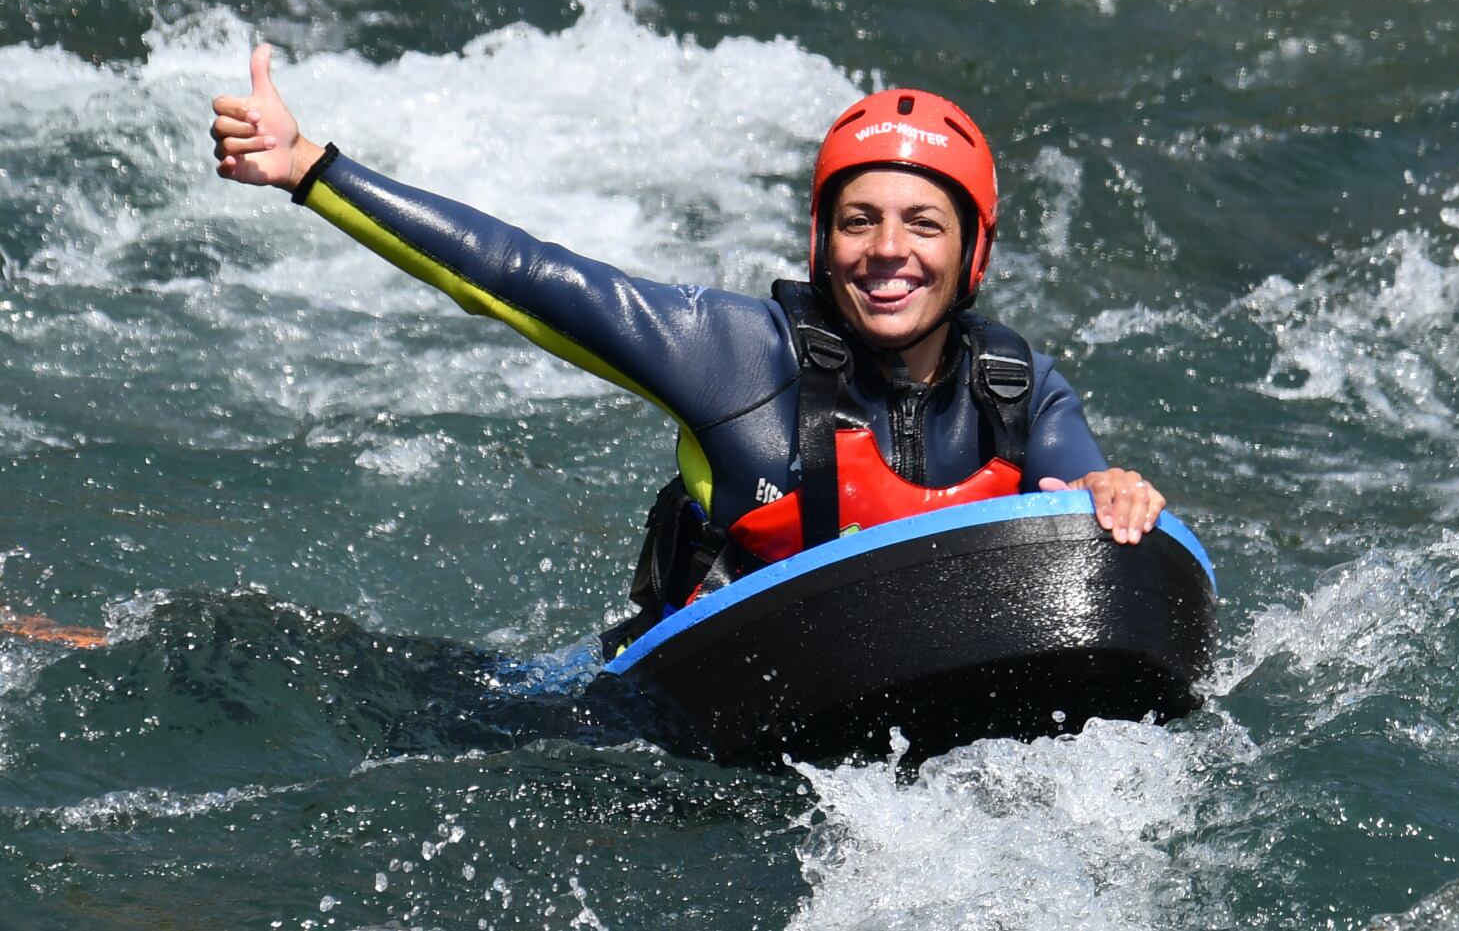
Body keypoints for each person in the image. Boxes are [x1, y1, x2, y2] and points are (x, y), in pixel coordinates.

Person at [208, 46, 1167, 653]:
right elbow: (522, 275)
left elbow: (1087, 506)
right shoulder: (739, 357)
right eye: (857, 221)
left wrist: (1116, 494)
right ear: (819, 241)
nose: (886, 250)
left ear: (973, 256)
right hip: (667, 729)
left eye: (924, 224)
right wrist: (311, 170)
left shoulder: (1018, 389)